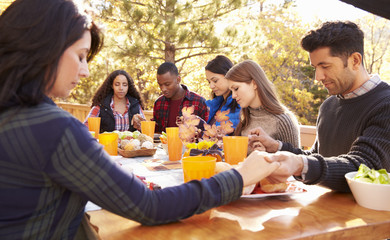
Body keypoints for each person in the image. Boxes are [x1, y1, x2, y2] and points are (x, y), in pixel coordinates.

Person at [0, 1, 280, 239]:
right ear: (43, 49)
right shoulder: (53, 128)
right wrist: (239, 177)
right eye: (80, 56)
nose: (85, 71)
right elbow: (149, 206)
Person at [250, 21, 390, 192]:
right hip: (322, 213)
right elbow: (318, 159)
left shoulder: (385, 104)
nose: (318, 76)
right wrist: (276, 147)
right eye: (315, 67)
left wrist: (301, 164)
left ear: (355, 60)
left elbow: (364, 167)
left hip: (368, 217)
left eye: (325, 66)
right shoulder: (328, 106)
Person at [225, 60, 300, 151]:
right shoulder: (245, 120)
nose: (233, 96)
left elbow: (295, 161)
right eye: (231, 91)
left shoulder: (282, 121)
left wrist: (265, 156)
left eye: (236, 88)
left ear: (254, 84)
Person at [152, 62, 209, 133]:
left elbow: (208, 132)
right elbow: (156, 131)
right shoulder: (159, 103)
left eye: (167, 84)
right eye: (160, 85)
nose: (163, 89)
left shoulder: (199, 102)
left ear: (178, 80)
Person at [205, 55, 241, 129]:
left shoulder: (240, 104)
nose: (211, 86)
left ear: (228, 75)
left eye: (215, 81)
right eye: (209, 82)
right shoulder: (215, 104)